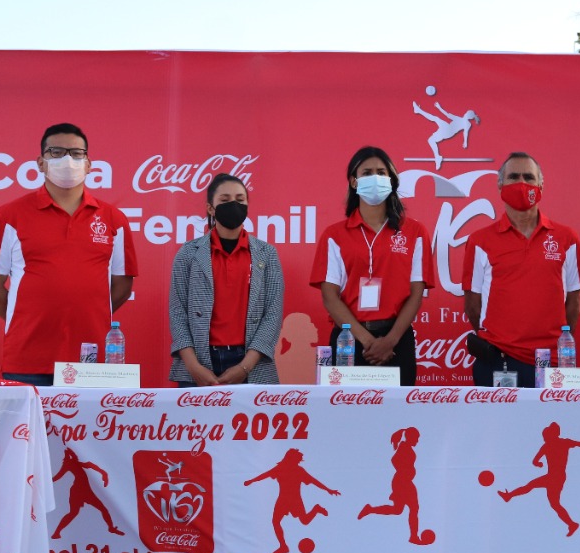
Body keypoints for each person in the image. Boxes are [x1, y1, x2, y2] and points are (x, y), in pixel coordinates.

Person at [0, 123, 138, 385]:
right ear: (40, 163)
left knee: (90, 427)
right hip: (27, 357)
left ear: (88, 164)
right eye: (56, 152)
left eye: (76, 154)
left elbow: (121, 286)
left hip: (92, 360)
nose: (67, 160)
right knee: (29, 427)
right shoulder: (9, 216)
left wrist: (82, 311)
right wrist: (26, 318)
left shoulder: (113, 219)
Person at [311, 147, 432, 386]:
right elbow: (330, 297)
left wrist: (390, 340)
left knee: (397, 419)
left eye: (381, 172)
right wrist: (367, 341)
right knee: (347, 418)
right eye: (366, 172)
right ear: (354, 182)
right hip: (349, 341)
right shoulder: (334, 235)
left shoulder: (414, 232)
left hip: (397, 341)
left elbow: (416, 293)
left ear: (392, 180)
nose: (375, 178)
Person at [462, 152, 580, 387]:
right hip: (498, 361)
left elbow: (574, 302)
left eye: (529, 177)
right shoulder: (480, 241)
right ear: (500, 184)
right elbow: (472, 305)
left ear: (541, 185)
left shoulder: (566, 238)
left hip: (552, 362)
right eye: (513, 177)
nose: (521, 184)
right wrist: (503, 340)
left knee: (552, 425)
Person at [168, 173, 284, 386]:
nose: (234, 205)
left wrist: (244, 367)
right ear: (210, 208)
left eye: (240, 200)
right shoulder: (188, 254)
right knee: (196, 421)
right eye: (225, 200)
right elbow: (177, 314)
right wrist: (194, 367)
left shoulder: (267, 254)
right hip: (199, 364)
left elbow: (273, 314)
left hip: (252, 365)